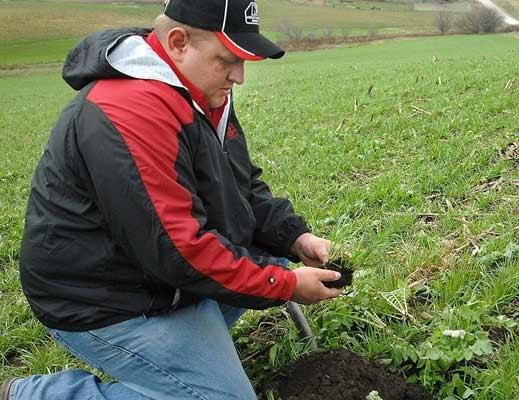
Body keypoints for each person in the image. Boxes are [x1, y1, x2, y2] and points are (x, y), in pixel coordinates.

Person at [3, 0, 343, 399]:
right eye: (228, 60)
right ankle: (34, 394)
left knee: (273, 256)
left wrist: (294, 237)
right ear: (179, 43)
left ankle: (189, 352)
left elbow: (241, 187)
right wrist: (282, 284)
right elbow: (177, 249)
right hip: (104, 297)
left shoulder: (199, 92)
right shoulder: (131, 109)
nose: (240, 76)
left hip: (156, 276)